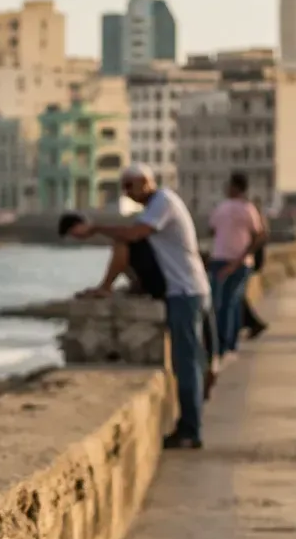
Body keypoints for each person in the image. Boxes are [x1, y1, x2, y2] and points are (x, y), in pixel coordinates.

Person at [68, 164, 210, 449]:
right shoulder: (155, 207)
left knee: (186, 362)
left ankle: (190, 430)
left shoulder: (163, 202)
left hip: (185, 291)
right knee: (188, 360)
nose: (127, 193)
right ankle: (189, 425)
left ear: (146, 182)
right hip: (183, 290)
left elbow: (134, 235)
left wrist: (95, 228)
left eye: (129, 186)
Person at [207, 172, 266, 359]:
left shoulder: (223, 208)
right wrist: (243, 256)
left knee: (223, 304)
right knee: (231, 302)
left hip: (224, 260)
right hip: (239, 262)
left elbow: (212, 229)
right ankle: (228, 343)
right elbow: (259, 235)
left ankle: (224, 344)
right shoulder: (249, 209)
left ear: (234, 187)